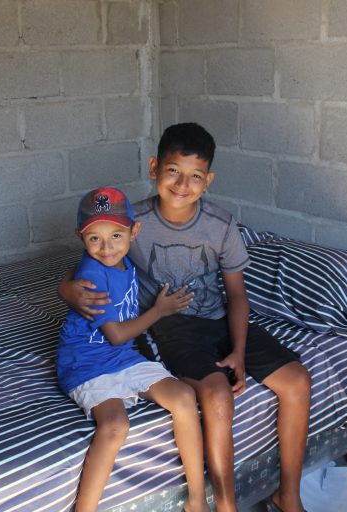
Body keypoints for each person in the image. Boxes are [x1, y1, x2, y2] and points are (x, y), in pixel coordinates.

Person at [58, 124, 312, 512]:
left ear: (208, 180)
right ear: (154, 168)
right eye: (173, 171)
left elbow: (237, 295)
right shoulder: (132, 222)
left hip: (219, 320)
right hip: (171, 327)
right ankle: (224, 506)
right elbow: (92, 260)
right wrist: (65, 289)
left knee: (298, 381)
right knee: (217, 393)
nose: (182, 184)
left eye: (195, 175)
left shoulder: (220, 224)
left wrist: (238, 351)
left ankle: (288, 497)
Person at [56, 187, 210, 512]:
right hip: (86, 363)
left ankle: (197, 500)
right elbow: (115, 335)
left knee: (184, 397)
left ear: (133, 231)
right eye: (94, 238)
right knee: (115, 426)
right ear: (81, 237)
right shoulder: (93, 273)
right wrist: (159, 311)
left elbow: (78, 270)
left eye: (115, 235)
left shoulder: (121, 261)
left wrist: (64, 283)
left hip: (124, 357)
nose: (107, 247)